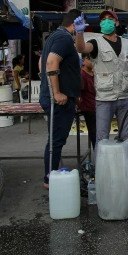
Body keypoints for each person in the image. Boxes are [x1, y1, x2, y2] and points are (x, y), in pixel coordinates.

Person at [74, 10, 128, 144]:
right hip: (105, 98)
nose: (106, 21)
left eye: (110, 18)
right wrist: (79, 33)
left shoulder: (126, 43)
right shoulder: (95, 43)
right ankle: (102, 165)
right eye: (103, 19)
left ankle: (125, 164)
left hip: (125, 97)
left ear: (116, 23)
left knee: (127, 137)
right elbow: (81, 48)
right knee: (102, 138)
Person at [40, 10, 82, 188]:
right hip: (58, 99)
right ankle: (49, 179)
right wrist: (56, 92)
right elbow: (50, 62)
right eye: (80, 26)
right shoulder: (64, 38)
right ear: (74, 24)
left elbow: (42, 62)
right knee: (56, 141)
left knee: (56, 139)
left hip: (59, 96)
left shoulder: (54, 36)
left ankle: (51, 174)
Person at [79, 55, 97, 151]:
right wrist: (79, 105)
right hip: (88, 107)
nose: (91, 61)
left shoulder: (93, 73)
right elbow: (78, 92)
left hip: (97, 105)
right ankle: (98, 154)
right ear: (83, 61)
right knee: (94, 133)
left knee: (99, 133)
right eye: (89, 59)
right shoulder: (82, 74)